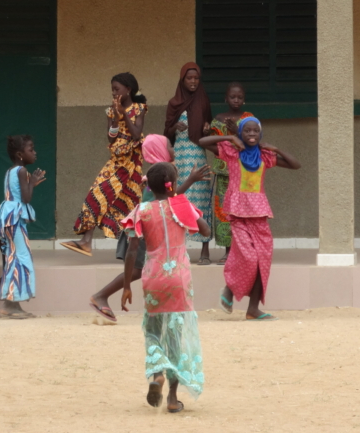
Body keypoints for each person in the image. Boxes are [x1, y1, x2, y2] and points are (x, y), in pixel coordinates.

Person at [88, 134, 211, 322]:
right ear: (159, 151)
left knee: (144, 270)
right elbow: (164, 200)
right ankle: (100, 295)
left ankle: (103, 296)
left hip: (150, 231)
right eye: (170, 145)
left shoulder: (159, 173)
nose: (173, 148)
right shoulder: (154, 178)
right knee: (138, 271)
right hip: (145, 232)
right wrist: (190, 181)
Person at [121, 162, 209, 413]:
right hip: (179, 279)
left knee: (153, 329)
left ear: (149, 185)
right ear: (172, 183)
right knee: (175, 337)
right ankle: (172, 398)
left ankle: (157, 373)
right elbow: (205, 230)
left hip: (153, 278)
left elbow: (132, 251)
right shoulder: (181, 205)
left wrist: (127, 286)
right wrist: (183, 204)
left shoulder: (141, 211)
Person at [199, 117, 301, 321]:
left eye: (255, 131)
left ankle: (252, 309)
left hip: (259, 214)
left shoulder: (265, 156)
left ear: (260, 134)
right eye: (247, 131)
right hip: (237, 214)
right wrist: (230, 137)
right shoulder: (231, 151)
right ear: (241, 133)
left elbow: (295, 165)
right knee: (249, 258)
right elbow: (202, 142)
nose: (252, 135)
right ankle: (229, 289)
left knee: (262, 260)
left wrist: (277, 149)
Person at [62, 72, 147, 257]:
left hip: (130, 165)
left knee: (129, 204)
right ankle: (86, 241)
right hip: (115, 162)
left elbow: (136, 134)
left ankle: (136, 250)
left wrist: (124, 114)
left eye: (117, 89)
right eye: (112, 91)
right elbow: (110, 136)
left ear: (128, 89)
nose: (114, 93)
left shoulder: (139, 108)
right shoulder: (110, 110)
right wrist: (116, 117)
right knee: (96, 193)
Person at [164, 62, 213, 265]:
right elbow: (166, 133)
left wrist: (208, 130)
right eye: (189, 78)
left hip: (197, 155)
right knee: (179, 199)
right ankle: (178, 249)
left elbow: (207, 130)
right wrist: (175, 126)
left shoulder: (203, 101)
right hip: (180, 157)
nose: (193, 82)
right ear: (182, 80)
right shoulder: (174, 102)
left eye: (196, 78)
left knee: (200, 200)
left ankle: (204, 250)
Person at [0, 135, 46, 318]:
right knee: (21, 257)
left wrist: (31, 184)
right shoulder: (22, 171)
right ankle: (11, 304)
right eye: (30, 150)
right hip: (15, 219)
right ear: (20, 154)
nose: (34, 152)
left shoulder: (10, 171)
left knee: (13, 257)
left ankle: (12, 304)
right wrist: (32, 183)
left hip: (9, 218)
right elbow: (26, 199)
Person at [209, 82, 254, 265]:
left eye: (240, 97)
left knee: (242, 212)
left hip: (243, 173)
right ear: (225, 98)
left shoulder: (248, 119)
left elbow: (253, 141)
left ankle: (242, 251)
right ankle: (228, 251)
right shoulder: (218, 119)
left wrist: (237, 131)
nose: (236, 100)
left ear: (244, 100)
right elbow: (210, 142)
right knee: (224, 212)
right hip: (223, 173)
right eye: (232, 97)